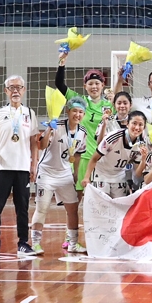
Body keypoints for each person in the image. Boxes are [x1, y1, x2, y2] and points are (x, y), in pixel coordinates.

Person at [0, 75, 39, 258]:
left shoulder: (30, 113)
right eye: (12, 87)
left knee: (23, 208)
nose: (15, 91)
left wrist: (34, 164)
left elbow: (34, 141)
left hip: (23, 168)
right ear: (6, 91)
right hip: (2, 167)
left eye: (19, 87)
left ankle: (23, 244)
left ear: (24, 90)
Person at [32, 97, 88, 254]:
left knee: (72, 208)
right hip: (47, 172)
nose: (77, 114)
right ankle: (35, 243)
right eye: (75, 111)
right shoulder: (57, 126)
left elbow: (77, 156)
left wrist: (75, 173)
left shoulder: (82, 133)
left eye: (81, 112)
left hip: (65, 174)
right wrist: (49, 128)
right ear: (68, 111)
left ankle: (73, 243)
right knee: (42, 208)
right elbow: (41, 145)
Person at [55, 53, 114, 196]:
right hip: (81, 156)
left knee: (101, 198)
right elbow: (59, 85)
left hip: (101, 157)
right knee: (77, 197)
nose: (94, 86)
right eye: (90, 83)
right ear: (85, 86)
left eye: (97, 83)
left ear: (103, 85)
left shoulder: (110, 105)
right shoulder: (79, 101)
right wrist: (62, 62)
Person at [81, 110, 149, 198]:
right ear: (127, 124)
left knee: (119, 207)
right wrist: (87, 177)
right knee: (101, 206)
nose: (137, 127)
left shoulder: (141, 144)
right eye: (134, 123)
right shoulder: (113, 137)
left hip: (119, 176)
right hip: (102, 174)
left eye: (140, 125)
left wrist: (143, 159)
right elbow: (94, 158)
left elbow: (137, 173)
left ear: (144, 127)